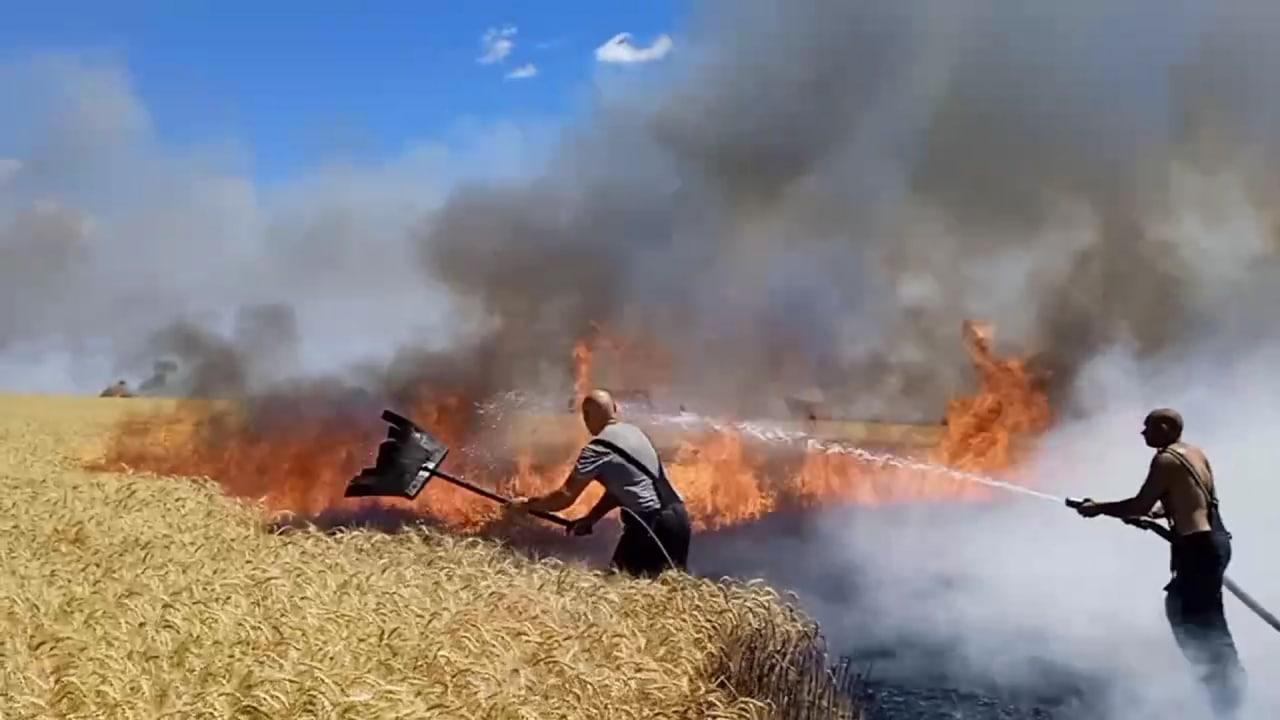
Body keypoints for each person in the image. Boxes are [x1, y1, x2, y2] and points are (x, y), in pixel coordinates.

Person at [1075, 408, 1245, 717]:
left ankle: (1226, 697)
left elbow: (1140, 503)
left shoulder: (1165, 459)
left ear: (1166, 428)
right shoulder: (1194, 454)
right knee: (1197, 616)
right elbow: (1190, 502)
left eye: (1148, 427)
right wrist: (1151, 516)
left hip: (1198, 550)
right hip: (1214, 544)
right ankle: (1224, 688)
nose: (1143, 433)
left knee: (1195, 621)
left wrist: (1098, 508)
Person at [510, 388, 691, 578]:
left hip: (649, 527)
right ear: (614, 408)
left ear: (586, 416)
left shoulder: (596, 450)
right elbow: (623, 488)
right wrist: (592, 518)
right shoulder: (636, 434)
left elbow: (564, 497)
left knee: (617, 589)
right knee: (668, 590)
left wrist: (526, 505)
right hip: (679, 520)